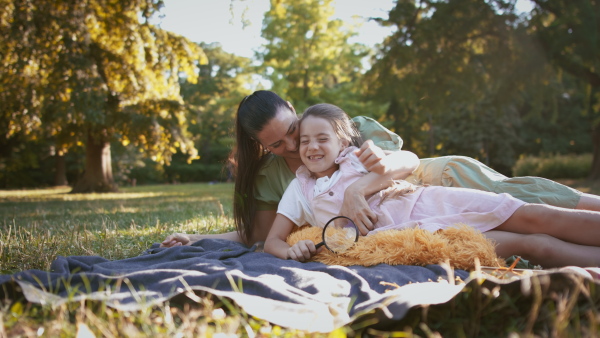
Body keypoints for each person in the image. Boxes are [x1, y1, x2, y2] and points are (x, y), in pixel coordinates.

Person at [161, 90, 600, 249]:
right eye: (277, 144)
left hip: (428, 180)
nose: (295, 146)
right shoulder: (275, 179)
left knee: (538, 198)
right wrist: (202, 237)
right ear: (260, 145)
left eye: (293, 131)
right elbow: (262, 234)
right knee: (531, 226)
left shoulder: (331, 128)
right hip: (406, 216)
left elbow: (402, 163)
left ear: (297, 113)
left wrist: (359, 189)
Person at [264, 103, 600, 268]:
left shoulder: (357, 158)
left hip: (434, 203)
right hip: (425, 237)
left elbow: (407, 160)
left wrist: (372, 172)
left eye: (322, 138)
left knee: (535, 215)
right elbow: (272, 241)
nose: (310, 147)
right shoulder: (300, 188)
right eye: (304, 140)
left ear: (341, 143)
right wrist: (290, 250)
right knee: (535, 244)